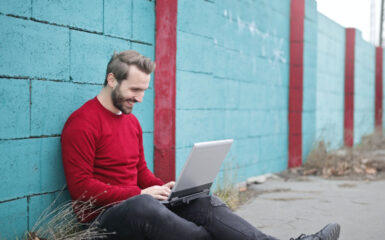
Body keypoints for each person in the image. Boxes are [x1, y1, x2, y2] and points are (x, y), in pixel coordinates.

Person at [61, 50, 340, 240]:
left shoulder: (131, 123)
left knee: (203, 202)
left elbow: (141, 172)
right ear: (112, 80)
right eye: (135, 90)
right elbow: (81, 188)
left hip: (140, 200)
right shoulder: (83, 122)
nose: (140, 98)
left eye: (144, 90)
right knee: (144, 207)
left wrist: (168, 188)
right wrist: (141, 193)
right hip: (103, 222)